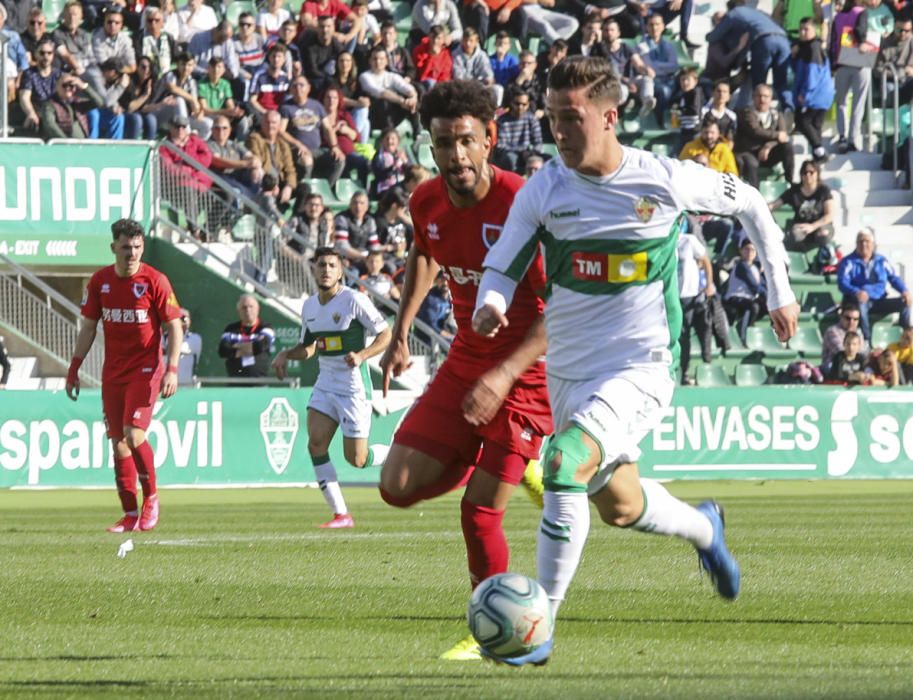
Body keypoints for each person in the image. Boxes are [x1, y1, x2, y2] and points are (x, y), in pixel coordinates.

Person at [472, 56, 799, 666]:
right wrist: (490, 303)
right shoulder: (546, 189)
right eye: (552, 118)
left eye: (571, 118)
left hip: (643, 365)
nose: (560, 131)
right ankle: (706, 529)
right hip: (571, 370)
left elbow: (752, 202)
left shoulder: (665, 179)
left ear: (609, 116)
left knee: (564, 462)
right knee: (618, 505)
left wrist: (779, 291)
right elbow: (503, 263)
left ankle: (537, 628)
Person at [378, 80, 553, 662]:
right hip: (463, 364)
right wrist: (401, 332)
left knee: (478, 513)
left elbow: (562, 313)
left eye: (467, 142)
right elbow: (426, 250)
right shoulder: (425, 200)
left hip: (527, 375)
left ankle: (496, 632)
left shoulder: (523, 204)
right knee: (395, 486)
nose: (456, 156)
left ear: (490, 140)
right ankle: (498, 460)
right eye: (444, 143)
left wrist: (503, 378)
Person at [66, 219, 183, 533]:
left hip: (146, 369)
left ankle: (152, 499)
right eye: (126, 247)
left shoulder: (155, 280)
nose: (132, 253)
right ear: (113, 248)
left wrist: (172, 368)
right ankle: (130, 514)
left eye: (137, 247)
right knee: (118, 445)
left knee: (134, 435)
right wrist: (74, 367)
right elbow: (88, 327)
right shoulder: (100, 281)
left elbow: (174, 326)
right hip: (113, 371)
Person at [272, 248, 392, 528]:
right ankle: (341, 514)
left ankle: (397, 453)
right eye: (321, 265)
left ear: (340, 271)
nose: (326, 270)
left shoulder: (354, 300)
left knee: (358, 460)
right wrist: (286, 354)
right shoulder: (310, 306)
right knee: (316, 444)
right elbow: (309, 348)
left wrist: (362, 355)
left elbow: (385, 334)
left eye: (331, 265)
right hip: (326, 384)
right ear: (313, 270)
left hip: (353, 387)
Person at [706, 0, 793, 111]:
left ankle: (757, 113)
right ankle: (789, 109)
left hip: (764, 41)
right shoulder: (757, 14)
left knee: (759, 83)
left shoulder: (733, 13)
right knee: (782, 82)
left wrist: (708, 36)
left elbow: (713, 37)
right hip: (783, 40)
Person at [836, 227, 913, 341]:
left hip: (879, 300)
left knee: (905, 302)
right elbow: (842, 282)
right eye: (860, 241)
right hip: (859, 301)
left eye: (867, 241)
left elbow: (893, 278)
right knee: (861, 304)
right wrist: (856, 292)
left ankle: (906, 337)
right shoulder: (848, 262)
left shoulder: (881, 261)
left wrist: (904, 291)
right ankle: (867, 341)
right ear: (856, 244)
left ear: (873, 244)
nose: (864, 244)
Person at [734, 83, 794, 189]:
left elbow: (783, 135)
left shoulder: (776, 114)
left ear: (771, 98)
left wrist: (768, 146)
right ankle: (755, 195)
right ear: (753, 97)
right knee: (752, 164)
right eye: (759, 96)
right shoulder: (746, 113)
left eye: (765, 96)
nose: (762, 99)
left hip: (768, 153)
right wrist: (776, 135)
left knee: (787, 146)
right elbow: (755, 131)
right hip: (749, 151)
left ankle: (790, 183)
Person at [793, 17, 835, 164]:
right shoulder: (806, 47)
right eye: (801, 30)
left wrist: (805, 93)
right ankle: (817, 158)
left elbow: (813, 73)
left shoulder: (813, 48)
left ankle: (819, 151)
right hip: (823, 95)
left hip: (815, 95)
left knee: (802, 121)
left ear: (815, 30)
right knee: (815, 126)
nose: (803, 33)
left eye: (806, 29)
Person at [768, 160, 834, 252]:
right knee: (794, 235)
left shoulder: (824, 191)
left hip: (820, 225)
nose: (808, 175)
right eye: (805, 172)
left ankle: (822, 261)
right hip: (801, 225)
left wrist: (812, 226)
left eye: (811, 172)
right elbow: (774, 204)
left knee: (824, 233)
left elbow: (829, 215)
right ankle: (800, 261)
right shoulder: (795, 190)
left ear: (817, 173)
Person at [218, 294, 276, 380]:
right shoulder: (231, 329)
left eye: (251, 307)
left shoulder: (266, 327)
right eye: (244, 307)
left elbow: (260, 346)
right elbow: (223, 350)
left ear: (257, 309)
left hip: (259, 383)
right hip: (235, 383)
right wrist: (252, 346)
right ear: (239, 311)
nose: (248, 310)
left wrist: (236, 347)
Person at [723, 238, 767, 345]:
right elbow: (754, 286)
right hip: (735, 297)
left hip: (747, 298)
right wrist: (768, 296)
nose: (749, 252)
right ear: (741, 251)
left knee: (769, 307)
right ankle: (744, 335)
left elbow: (762, 285)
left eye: (752, 250)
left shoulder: (755, 268)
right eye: (746, 249)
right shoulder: (742, 266)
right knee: (753, 306)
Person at [493, 87, 542, 173]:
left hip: (528, 154)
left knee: (547, 159)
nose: (520, 107)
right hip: (510, 154)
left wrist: (532, 153)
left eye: (524, 104)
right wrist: (521, 151)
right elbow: (500, 146)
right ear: (511, 103)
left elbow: (538, 142)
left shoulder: (532, 119)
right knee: (511, 159)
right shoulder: (502, 121)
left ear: (528, 104)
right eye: (517, 104)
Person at [821, 300, 869, 372]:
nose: (851, 322)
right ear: (841, 317)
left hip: (854, 365)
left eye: (855, 319)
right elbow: (844, 352)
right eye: (848, 318)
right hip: (834, 368)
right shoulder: (832, 331)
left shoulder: (858, 332)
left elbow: (863, 352)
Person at [173, 308, 203, 386]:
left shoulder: (195, 338)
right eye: (180, 318)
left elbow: (177, 348)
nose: (183, 321)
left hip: (189, 385)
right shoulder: (164, 337)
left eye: (186, 318)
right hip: (169, 383)